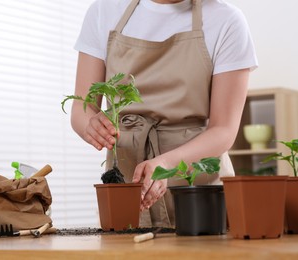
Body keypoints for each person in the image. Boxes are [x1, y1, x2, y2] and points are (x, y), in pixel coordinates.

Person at [70, 0, 258, 227]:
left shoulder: (226, 20)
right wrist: (92, 125)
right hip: (129, 182)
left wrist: (167, 164)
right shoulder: (104, 11)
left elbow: (224, 130)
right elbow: (83, 109)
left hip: (198, 187)